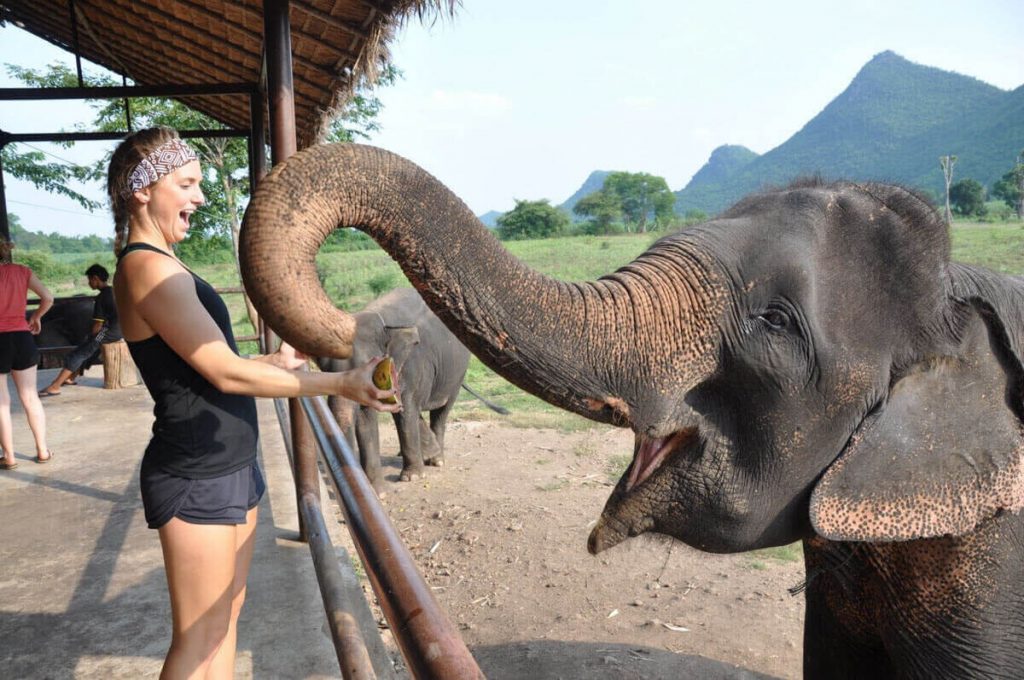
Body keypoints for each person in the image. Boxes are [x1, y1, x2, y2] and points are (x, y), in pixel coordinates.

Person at [108, 126, 400, 679]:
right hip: (196, 474)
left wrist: (276, 365)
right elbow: (224, 372)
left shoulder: (166, 262)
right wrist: (339, 385)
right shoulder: (145, 266)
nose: (198, 197)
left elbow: (209, 366)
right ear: (142, 189)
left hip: (231, 464)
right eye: (187, 183)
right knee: (196, 640)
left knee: (225, 621)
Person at [0, 239, 54, 469]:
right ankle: (42, 451)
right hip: (22, 338)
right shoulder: (21, 271)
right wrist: (36, 317)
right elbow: (48, 298)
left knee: (1, 402)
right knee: (30, 396)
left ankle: (9, 457)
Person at [39, 263, 122, 396]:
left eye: (90, 280)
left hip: (109, 331)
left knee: (78, 353)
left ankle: (55, 386)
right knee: (89, 351)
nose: (89, 283)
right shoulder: (112, 291)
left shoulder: (102, 297)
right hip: (119, 330)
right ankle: (71, 377)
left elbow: (97, 325)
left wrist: (91, 337)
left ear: (95, 278)